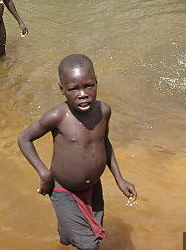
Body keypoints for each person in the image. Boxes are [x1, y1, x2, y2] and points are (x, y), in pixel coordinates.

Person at [17, 54, 137, 250]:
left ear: (96, 82)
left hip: (93, 188)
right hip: (64, 190)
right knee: (89, 246)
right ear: (62, 89)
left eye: (88, 85)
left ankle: (69, 233)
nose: (83, 93)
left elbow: (104, 143)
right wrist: (44, 173)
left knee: (92, 237)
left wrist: (120, 179)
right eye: (73, 89)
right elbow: (24, 138)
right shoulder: (58, 116)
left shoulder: (103, 111)